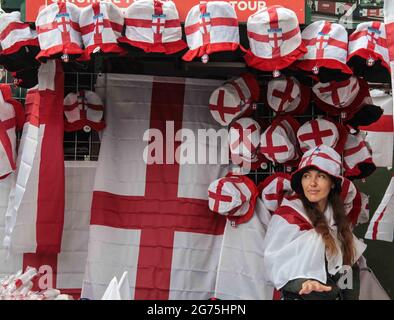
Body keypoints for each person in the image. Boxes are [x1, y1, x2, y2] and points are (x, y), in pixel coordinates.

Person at [262, 145, 367, 300]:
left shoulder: (336, 218)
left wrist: (350, 297)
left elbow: (348, 268)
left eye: (321, 176)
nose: (312, 183)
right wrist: (303, 283)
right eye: (306, 176)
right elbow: (275, 265)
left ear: (332, 183)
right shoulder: (288, 217)